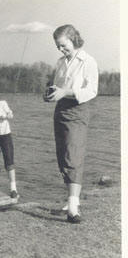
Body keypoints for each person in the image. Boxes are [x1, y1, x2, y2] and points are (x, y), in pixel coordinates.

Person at [44, 24, 98, 224]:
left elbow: (92, 90)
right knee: (62, 156)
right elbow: (57, 85)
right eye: (57, 46)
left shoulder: (88, 61)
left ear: (73, 39)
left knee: (73, 155)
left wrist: (65, 92)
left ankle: (73, 208)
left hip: (78, 110)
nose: (60, 49)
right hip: (60, 110)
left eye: (63, 45)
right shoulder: (60, 62)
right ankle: (70, 200)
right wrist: (51, 93)